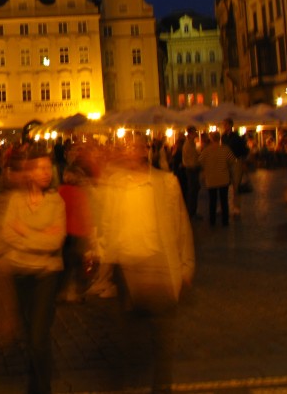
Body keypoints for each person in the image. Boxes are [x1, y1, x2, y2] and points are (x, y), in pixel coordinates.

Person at [96, 141, 195, 393]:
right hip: (126, 273)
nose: (128, 153)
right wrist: (100, 255)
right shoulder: (115, 183)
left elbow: (181, 225)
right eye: (124, 149)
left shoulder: (166, 182)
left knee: (162, 342)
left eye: (134, 148)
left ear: (144, 151)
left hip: (159, 269)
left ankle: (160, 388)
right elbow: (107, 224)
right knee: (129, 342)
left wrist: (186, 267)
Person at [1, 152, 66, 394]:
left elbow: (55, 242)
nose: (46, 173)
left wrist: (24, 232)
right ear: (30, 173)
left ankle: (43, 387)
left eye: (49, 168)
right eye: (41, 168)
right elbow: (7, 234)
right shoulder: (16, 201)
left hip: (47, 275)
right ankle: (34, 381)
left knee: (39, 336)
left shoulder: (57, 202)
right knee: (29, 334)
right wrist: (40, 235)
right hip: (20, 272)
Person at [57, 167, 93, 303]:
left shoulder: (60, 191)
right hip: (79, 233)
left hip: (65, 233)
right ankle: (77, 292)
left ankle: (61, 291)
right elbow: (86, 214)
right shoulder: (81, 193)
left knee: (65, 264)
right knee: (78, 265)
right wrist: (90, 233)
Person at [197, 131, 236, 227]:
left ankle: (212, 220)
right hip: (223, 178)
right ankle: (225, 221)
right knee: (224, 200)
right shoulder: (225, 149)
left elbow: (200, 161)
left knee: (212, 200)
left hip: (211, 178)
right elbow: (232, 161)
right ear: (219, 139)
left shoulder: (206, 150)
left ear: (211, 139)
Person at [221, 118, 249, 215]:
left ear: (230, 125)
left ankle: (236, 206)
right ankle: (223, 205)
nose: (224, 126)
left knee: (236, 185)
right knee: (223, 184)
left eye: (225, 124)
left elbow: (244, 151)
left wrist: (243, 162)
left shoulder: (237, 137)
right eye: (223, 124)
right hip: (226, 163)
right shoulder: (223, 137)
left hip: (236, 162)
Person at [181, 127, 201, 219]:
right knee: (193, 191)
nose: (196, 134)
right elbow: (193, 159)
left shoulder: (191, 143)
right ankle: (191, 212)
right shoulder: (188, 144)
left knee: (193, 191)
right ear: (190, 133)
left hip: (192, 169)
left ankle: (192, 211)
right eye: (195, 132)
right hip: (191, 170)